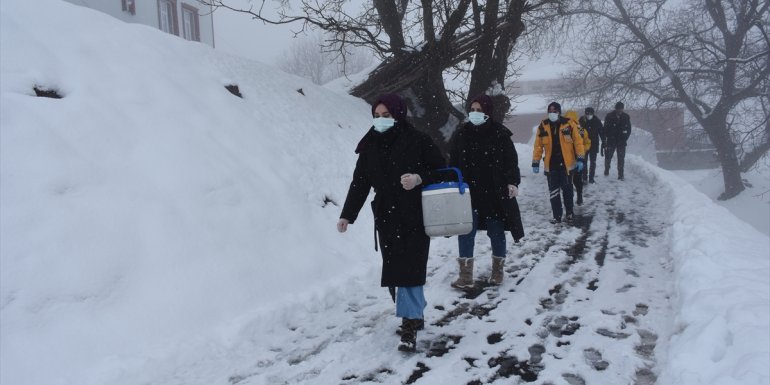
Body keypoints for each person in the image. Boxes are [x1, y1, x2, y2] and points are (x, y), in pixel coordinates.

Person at [337, 94, 445, 353]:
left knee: (410, 269)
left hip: (415, 214)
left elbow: (441, 170)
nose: (381, 120)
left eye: (386, 116)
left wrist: (419, 178)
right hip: (386, 216)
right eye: (376, 116)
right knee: (396, 272)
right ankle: (415, 311)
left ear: (398, 114)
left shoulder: (418, 140)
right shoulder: (370, 145)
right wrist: (347, 215)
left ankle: (409, 326)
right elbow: (360, 183)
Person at [447, 94, 524, 289]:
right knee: (466, 231)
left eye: (479, 110)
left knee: (496, 231)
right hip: (468, 193)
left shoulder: (500, 134)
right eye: (472, 110)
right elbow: (453, 162)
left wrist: (512, 182)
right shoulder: (462, 134)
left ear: (488, 112)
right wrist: (451, 183)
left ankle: (497, 271)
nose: (475, 113)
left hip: (493, 194)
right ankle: (465, 275)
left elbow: (511, 162)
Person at [532, 102, 585, 224]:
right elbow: (538, 145)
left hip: (567, 165)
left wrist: (580, 158)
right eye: (550, 111)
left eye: (554, 111)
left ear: (559, 112)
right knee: (554, 192)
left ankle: (569, 213)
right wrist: (535, 161)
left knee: (567, 190)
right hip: (551, 165)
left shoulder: (569, 124)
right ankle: (557, 216)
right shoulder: (543, 125)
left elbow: (578, 142)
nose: (552, 113)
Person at [565, 110, 590, 206]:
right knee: (577, 179)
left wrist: (582, 150)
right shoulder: (582, 130)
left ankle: (573, 198)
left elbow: (586, 142)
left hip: (570, 159)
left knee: (569, 180)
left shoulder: (564, 130)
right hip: (577, 158)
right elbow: (587, 142)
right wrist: (583, 151)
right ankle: (579, 196)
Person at [603, 102, 632, 180]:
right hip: (611, 140)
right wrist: (608, 137)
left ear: (623, 109)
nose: (620, 110)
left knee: (621, 158)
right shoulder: (609, 116)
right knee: (608, 157)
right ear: (616, 109)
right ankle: (606, 169)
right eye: (618, 109)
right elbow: (605, 129)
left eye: (621, 109)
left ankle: (621, 175)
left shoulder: (626, 117)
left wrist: (625, 138)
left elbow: (629, 129)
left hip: (621, 141)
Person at [578, 107, 604, 183]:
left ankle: (591, 178)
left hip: (594, 144)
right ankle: (584, 178)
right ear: (585, 113)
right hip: (584, 144)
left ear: (593, 113)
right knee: (584, 162)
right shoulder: (581, 120)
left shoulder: (597, 121)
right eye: (587, 113)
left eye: (590, 113)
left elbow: (601, 132)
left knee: (593, 162)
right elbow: (578, 131)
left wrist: (604, 141)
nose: (588, 115)